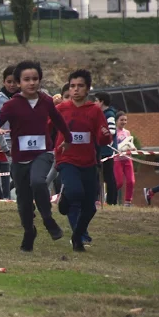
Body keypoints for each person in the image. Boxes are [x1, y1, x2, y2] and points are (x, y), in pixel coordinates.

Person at [0, 61, 71, 252]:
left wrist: (68, 138)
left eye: (35, 79)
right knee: (24, 201)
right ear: (18, 83)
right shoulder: (11, 105)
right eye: (27, 79)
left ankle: (48, 219)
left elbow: (58, 119)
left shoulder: (45, 100)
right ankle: (29, 231)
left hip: (42, 153)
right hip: (19, 158)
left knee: (38, 182)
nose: (32, 83)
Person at [55, 70, 110, 251]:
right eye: (72, 86)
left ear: (87, 89)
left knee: (90, 208)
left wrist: (104, 135)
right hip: (66, 159)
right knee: (75, 192)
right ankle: (65, 198)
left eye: (80, 86)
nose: (75, 90)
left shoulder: (94, 110)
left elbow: (104, 140)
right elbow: (45, 128)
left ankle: (77, 236)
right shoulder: (61, 109)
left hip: (88, 162)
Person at [0, 65, 18, 197]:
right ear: (3, 82)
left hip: (20, 140)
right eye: (9, 82)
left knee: (18, 172)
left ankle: (21, 198)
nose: (12, 85)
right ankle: (3, 197)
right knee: (1, 174)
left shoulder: (24, 98)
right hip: (1, 141)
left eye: (15, 82)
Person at [93, 92, 119, 205]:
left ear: (101, 101)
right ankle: (96, 199)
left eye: (96, 100)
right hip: (100, 150)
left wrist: (101, 133)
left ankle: (111, 201)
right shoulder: (101, 114)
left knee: (108, 177)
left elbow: (112, 131)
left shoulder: (109, 114)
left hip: (107, 150)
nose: (94, 103)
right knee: (97, 176)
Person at [113, 111, 138, 207]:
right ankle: (110, 197)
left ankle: (128, 201)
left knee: (131, 181)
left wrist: (133, 148)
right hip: (117, 160)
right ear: (116, 121)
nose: (123, 122)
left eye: (125, 120)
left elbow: (130, 144)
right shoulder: (114, 132)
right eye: (121, 120)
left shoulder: (127, 132)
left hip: (127, 159)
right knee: (118, 182)